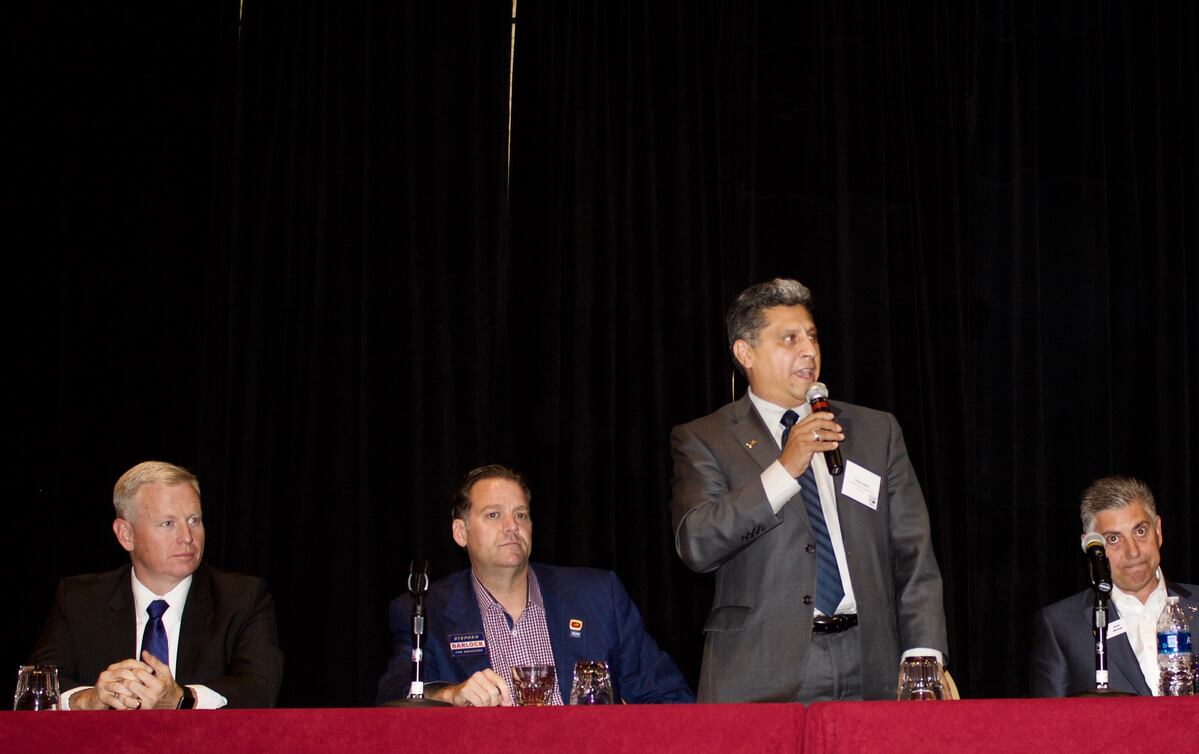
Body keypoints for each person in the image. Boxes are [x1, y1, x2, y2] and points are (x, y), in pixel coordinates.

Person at [669, 277, 947, 702]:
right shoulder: (705, 438)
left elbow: (914, 551)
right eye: (789, 339)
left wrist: (923, 654)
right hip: (759, 669)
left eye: (812, 337)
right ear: (745, 352)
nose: (809, 351)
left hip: (872, 662)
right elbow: (698, 544)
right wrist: (785, 469)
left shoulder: (876, 431)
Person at [377, 465, 693, 705]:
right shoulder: (427, 610)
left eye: (521, 515)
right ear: (461, 533)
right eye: (493, 515)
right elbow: (394, 692)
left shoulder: (597, 595)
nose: (511, 527)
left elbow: (668, 695)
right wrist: (450, 694)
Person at [27, 461, 283, 709]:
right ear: (126, 535)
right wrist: (88, 699)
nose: (187, 537)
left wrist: (182, 699)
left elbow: (260, 690)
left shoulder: (241, 599)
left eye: (194, 520)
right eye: (168, 524)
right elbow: (36, 688)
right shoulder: (80, 599)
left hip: (200, 740)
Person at [1031, 475, 1199, 696]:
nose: (1133, 551)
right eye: (1114, 539)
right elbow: (1047, 722)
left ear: (1158, 531)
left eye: (1140, 531)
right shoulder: (1061, 626)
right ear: (1091, 545)